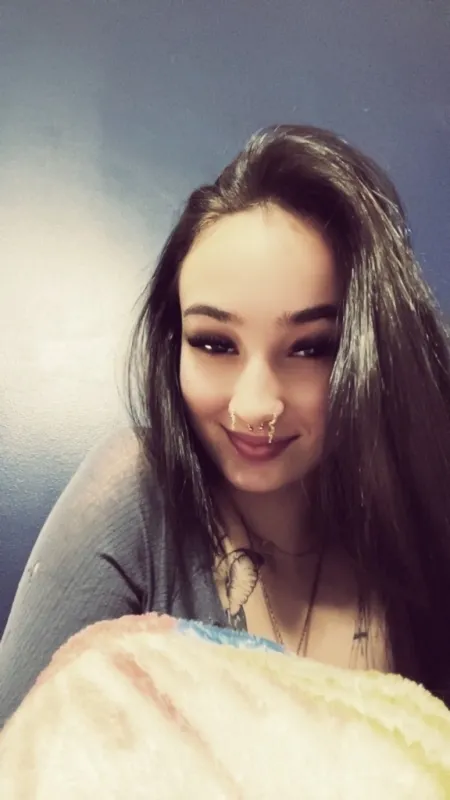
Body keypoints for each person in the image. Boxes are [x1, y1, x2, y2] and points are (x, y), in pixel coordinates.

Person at [1, 124, 450, 730]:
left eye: (311, 348)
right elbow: (16, 752)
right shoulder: (132, 500)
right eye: (214, 343)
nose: (255, 406)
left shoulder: (425, 506)